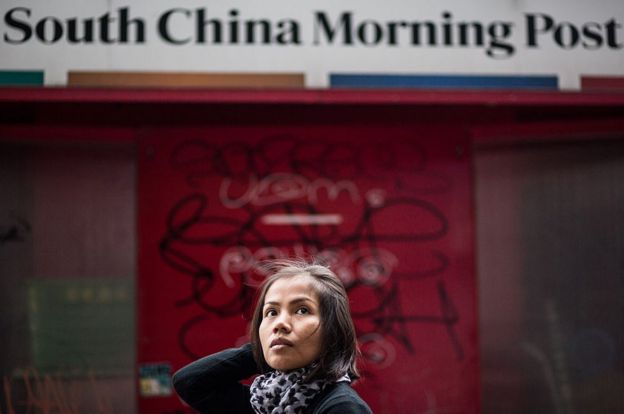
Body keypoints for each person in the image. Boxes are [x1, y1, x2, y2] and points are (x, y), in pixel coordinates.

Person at [172, 259, 373, 413]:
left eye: (302, 310)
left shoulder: (341, 407)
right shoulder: (265, 402)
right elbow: (190, 383)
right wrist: (265, 348)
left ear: (333, 330)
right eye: (271, 313)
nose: (280, 324)